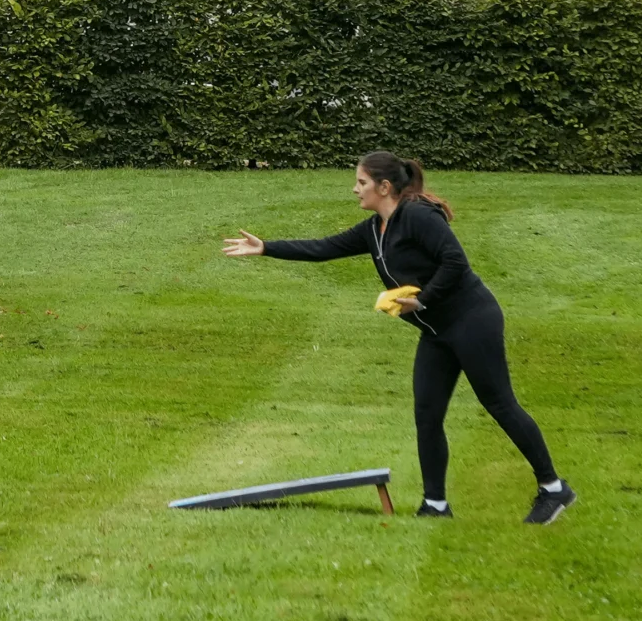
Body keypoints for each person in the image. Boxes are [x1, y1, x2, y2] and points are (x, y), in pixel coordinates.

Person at [222, 151, 575, 523]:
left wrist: (422, 299)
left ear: (384, 187)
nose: (355, 189)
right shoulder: (376, 228)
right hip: (437, 332)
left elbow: (456, 262)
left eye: (361, 182)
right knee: (427, 413)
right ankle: (435, 505)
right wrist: (266, 247)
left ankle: (553, 489)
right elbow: (324, 248)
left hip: (473, 322)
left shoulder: (418, 216)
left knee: (500, 404)